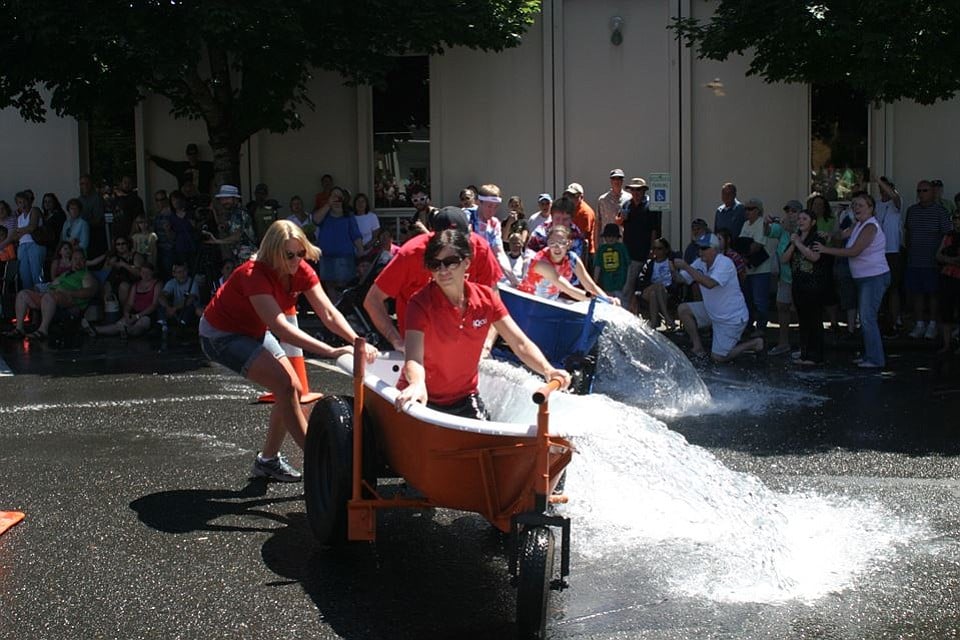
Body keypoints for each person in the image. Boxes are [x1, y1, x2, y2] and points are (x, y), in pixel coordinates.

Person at [200, 219, 378, 482]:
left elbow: (328, 312)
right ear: (272, 253)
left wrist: (355, 341)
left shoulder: (301, 270)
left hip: (255, 331)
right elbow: (282, 328)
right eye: (289, 255)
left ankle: (267, 462)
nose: (297, 260)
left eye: (301, 253)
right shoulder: (254, 275)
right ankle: (321, 462)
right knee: (284, 385)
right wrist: (331, 351)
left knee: (292, 388)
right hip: (220, 335)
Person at [395, 228, 570, 418]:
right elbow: (414, 358)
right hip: (421, 397)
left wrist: (548, 370)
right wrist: (416, 383)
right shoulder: (419, 303)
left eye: (451, 262)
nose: (443, 270)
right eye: (435, 265)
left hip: (464, 397)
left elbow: (519, 343)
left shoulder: (487, 298)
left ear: (467, 262)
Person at [364, 207, 503, 352]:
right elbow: (372, 300)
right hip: (421, 347)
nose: (454, 250)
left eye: (460, 243)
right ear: (432, 235)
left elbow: (493, 301)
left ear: (470, 230)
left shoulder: (481, 249)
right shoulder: (411, 254)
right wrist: (396, 340)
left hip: (465, 345)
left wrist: (486, 344)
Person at [814, 192, 891, 369]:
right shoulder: (858, 224)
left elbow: (854, 251)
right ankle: (869, 355)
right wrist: (828, 235)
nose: (856, 208)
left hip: (874, 278)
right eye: (854, 205)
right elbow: (841, 235)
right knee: (864, 319)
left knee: (867, 318)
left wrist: (826, 250)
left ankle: (876, 359)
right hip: (863, 278)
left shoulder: (870, 227)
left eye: (861, 205)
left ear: (871, 208)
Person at [674, 239, 763, 362]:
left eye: (704, 248)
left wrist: (686, 267)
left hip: (730, 318)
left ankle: (755, 343)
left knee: (718, 357)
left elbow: (710, 283)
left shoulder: (725, 263)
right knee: (683, 309)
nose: (701, 251)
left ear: (715, 250)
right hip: (712, 311)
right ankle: (698, 347)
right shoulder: (699, 263)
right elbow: (681, 279)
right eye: (700, 248)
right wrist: (672, 269)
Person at [4, 250, 98, 340]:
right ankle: (19, 329)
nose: (78, 262)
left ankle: (43, 330)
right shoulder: (65, 274)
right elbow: (51, 285)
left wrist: (68, 292)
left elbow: (89, 292)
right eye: (75, 259)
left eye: (81, 259)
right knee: (23, 294)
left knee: (48, 297)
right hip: (52, 296)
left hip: (70, 300)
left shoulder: (86, 275)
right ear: (71, 261)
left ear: (85, 261)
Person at [519, 225, 619, 304]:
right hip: (527, 303)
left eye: (562, 242)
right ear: (548, 244)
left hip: (548, 304)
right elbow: (569, 289)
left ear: (569, 244)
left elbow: (590, 286)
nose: (557, 247)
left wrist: (607, 299)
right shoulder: (541, 263)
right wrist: (600, 301)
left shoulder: (572, 259)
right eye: (552, 243)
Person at [904, 180, 952, 340]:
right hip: (914, 259)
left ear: (932, 192)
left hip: (933, 261)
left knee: (933, 294)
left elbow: (947, 236)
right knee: (917, 294)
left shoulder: (941, 212)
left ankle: (932, 325)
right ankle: (919, 324)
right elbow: (908, 233)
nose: (921, 194)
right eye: (919, 191)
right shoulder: (911, 211)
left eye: (925, 190)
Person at [783, 209, 832, 365]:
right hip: (798, 283)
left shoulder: (818, 237)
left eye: (805, 218)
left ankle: (815, 355)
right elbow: (784, 259)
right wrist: (793, 243)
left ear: (813, 222)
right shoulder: (795, 237)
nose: (801, 221)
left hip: (814, 284)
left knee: (814, 320)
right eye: (799, 219)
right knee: (802, 320)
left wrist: (798, 243)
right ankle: (805, 352)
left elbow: (814, 256)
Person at [82, 262, 161, 339]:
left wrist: (137, 316)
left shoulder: (157, 284)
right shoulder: (136, 285)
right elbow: (129, 304)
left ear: (152, 273)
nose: (145, 275)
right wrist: (126, 313)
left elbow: (154, 305)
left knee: (140, 324)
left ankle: (127, 330)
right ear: (140, 273)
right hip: (134, 313)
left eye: (148, 272)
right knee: (119, 324)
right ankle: (95, 329)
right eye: (143, 272)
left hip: (147, 314)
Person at [765, 200, 801, 356]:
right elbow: (767, 232)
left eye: (794, 211)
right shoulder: (782, 227)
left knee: (800, 310)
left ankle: (803, 346)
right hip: (784, 276)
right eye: (788, 211)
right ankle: (783, 343)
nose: (790, 214)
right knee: (782, 307)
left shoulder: (804, 226)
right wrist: (766, 223)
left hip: (801, 278)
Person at [618, 178, 661, 305]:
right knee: (628, 285)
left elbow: (654, 230)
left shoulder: (651, 206)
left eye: (638, 190)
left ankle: (626, 313)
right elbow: (619, 224)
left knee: (635, 286)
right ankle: (629, 312)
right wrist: (621, 219)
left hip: (644, 252)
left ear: (644, 191)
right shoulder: (627, 205)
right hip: (628, 252)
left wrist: (652, 249)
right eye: (633, 190)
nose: (635, 192)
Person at [313, 186, 363, 291]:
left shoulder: (348, 216)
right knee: (329, 288)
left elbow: (356, 235)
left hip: (344, 258)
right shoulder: (324, 215)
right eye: (334, 196)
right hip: (326, 258)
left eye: (339, 196)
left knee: (342, 288)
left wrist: (360, 250)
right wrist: (328, 204)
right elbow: (316, 220)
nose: (336, 199)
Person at [737, 197, 773, 339]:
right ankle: (748, 326)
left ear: (758, 210)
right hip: (747, 268)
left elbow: (757, 245)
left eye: (750, 209)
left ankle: (761, 327)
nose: (747, 211)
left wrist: (744, 250)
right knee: (747, 299)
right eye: (745, 209)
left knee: (760, 300)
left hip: (761, 269)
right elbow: (741, 244)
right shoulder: (746, 224)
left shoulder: (761, 223)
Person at [876, 176, 904, 335]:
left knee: (893, 288)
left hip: (893, 251)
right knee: (879, 289)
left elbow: (894, 196)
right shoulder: (876, 205)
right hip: (877, 252)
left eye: (885, 187)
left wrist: (879, 181)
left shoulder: (897, 203)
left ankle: (896, 318)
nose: (882, 191)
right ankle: (882, 319)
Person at [202, 185, 257, 262]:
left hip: (246, 256)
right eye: (222, 199)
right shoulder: (232, 213)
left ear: (235, 199)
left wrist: (217, 241)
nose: (224, 202)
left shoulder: (239, 213)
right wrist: (214, 212)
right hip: (239, 254)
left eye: (227, 199)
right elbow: (226, 227)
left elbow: (237, 236)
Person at [635, 237, 679, 328]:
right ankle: (666, 317)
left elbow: (677, 278)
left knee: (654, 295)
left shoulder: (671, 262)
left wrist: (673, 270)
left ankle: (654, 325)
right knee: (657, 287)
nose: (656, 251)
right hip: (648, 289)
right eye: (654, 248)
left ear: (666, 250)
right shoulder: (649, 263)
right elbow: (641, 279)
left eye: (659, 248)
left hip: (666, 291)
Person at [934, 211, 960, 354]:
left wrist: (948, 259)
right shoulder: (948, 236)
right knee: (946, 311)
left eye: (958, 219)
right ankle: (946, 344)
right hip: (947, 276)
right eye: (954, 218)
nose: (956, 221)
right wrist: (950, 260)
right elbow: (938, 255)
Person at [12, 191, 46, 290]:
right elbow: (16, 236)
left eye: (24, 201)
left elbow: (32, 227)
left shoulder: (34, 210)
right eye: (19, 202)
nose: (23, 204)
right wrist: (22, 231)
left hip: (34, 244)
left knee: (36, 273)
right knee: (24, 275)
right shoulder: (19, 218)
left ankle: (41, 296)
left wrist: (19, 231)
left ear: (29, 201)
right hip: (22, 246)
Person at [148, 143, 215, 194]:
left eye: (194, 153)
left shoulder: (206, 167)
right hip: (184, 202)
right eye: (190, 154)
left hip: (202, 200)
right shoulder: (181, 167)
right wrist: (152, 158)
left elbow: (219, 167)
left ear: (197, 154)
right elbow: (167, 164)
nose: (192, 156)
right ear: (187, 155)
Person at [594, 223, 630, 306]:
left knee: (622, 306)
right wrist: (594, 283)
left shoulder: (622, 248)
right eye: (608, 236)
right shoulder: (601, 249)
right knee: (609, 305)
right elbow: (597, 267)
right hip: (607, 284)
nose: (610, 238)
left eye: (613, 236)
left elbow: (629, 266)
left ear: (617, 237)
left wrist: (628, 283)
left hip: (621, 284)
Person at [596, 169, 632, 251]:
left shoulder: (629, 198)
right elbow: (598, 223)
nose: (616, 181)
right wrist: (596, 244)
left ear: (622, 181)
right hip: (607, 242)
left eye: (619, 178)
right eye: (614, 178)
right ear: (611, 181)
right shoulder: (602, 200)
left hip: (624, 241)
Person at [563, 182, 597, 267]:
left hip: (584, 253)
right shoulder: (570, 209)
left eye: (573, 196)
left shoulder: (585, 212)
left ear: (581, 197)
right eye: (568, 196)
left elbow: (582, 236)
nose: (570, 199)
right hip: (572, 250)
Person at [159, 262, 201, 328]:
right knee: (161, 306)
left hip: (189, 310)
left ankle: (182, 327)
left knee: (189, 308)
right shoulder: (171, 282)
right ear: (174, 274)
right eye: (179, 272)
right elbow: (161, 296)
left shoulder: (193, 283)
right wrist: (168, 307)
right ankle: (162, 326)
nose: (182, 274)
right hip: (174, 310)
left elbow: (190, 300)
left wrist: (174, 308)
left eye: (184, 271)